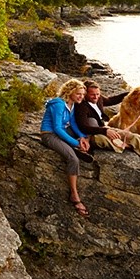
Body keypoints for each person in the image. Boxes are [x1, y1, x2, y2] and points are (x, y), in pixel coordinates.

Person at [40, 78, 93, 217]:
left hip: (63, 131)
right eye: (78, 94)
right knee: (73, 159)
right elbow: (57, 128)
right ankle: (74, 195)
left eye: (82, 94)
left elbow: (73, 123)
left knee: (86, 137)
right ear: (70, 92)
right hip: (50, 134)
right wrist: (76, 143)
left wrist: (82, 137)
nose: (81, 96)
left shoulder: (72, 105)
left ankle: (75, 146)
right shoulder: (58, 104)